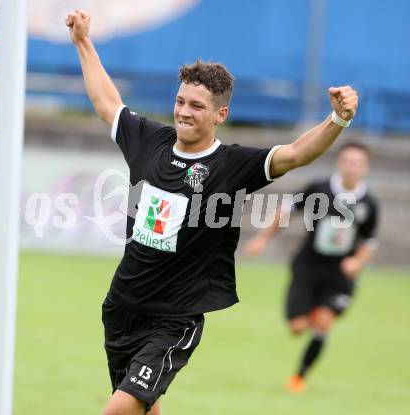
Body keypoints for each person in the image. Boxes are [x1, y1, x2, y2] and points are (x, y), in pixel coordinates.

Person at [65, 9, 359, 415]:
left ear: (220, 115)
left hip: (174, 320)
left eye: (197, 106)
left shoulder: (233, 165)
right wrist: (83, 42)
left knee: (118, 410)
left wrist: (337, 119)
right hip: (121, 305)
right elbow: (106, 103)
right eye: (181, 101)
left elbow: (295, 154)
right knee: (145, 409)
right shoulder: (148, 140)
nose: (184, 111)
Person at [245, 142, 379, 393]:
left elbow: (370, 241)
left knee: (324, 323)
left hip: (340, 274)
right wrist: (262, 239)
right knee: (297, 328)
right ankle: (313, 314)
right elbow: (287, 210)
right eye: (348, 161)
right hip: (308, 266)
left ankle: (299, 376)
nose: (352, 167)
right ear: (340, 163)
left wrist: (357, 262)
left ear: (365, 167)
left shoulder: (369, 204)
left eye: (358, 163)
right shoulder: (319, 190)